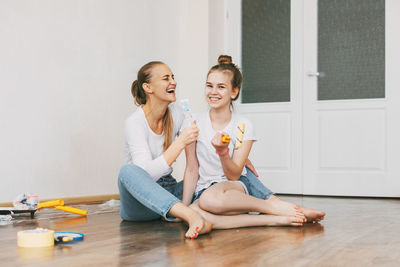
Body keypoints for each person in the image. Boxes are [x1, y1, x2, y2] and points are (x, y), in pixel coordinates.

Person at [182, 55, 325, 229]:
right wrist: (184, 206)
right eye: (209, 86)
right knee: (196, 213)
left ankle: (273, 207)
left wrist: (223, 152)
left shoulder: (242, 126)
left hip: (234, 188)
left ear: (234, 92)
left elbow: (234, 174)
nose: (213, 92)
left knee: (209, 201)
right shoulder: (193, 123)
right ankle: (277, 218)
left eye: (221, 87)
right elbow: (191, 168)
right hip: (205, 191)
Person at [118, 61, 212, 239]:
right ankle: (190, 214)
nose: (173, 82)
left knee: (210, 177)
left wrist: (234, 154)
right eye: (166, 78)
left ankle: (181, 210)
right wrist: (180, 142)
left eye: (173, 77)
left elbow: (200, 149)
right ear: (148, 87)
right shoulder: (134, 123)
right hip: (140, 203)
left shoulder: (176, 112)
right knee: (128, 171)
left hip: (169, 191)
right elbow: (146, 175)